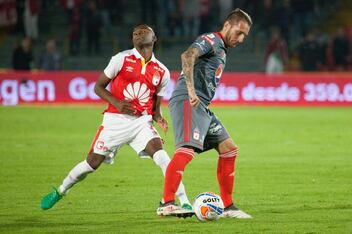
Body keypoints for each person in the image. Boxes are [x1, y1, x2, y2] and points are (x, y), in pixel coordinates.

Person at [40, 24, 192, 211]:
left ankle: (183, 201)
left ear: (154, 38)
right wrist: (118, 103)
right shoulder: (120, 59)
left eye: (143, 32)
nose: (138, 34)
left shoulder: (162, 71)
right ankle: (61, 190)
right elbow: (98, 87)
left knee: (163, 158)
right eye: (135, 33)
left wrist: (158, 116)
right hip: (114, 121)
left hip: (141, 123)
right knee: (91, 164)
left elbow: (155, 104)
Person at [156, 8, 253, 219]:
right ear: (227, 25)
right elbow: (187, 55)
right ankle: (167, 202)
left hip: (202, 106)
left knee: (229, 149)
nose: (241, 39)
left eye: (244, 35)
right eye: (239, 32)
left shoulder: (222, 49)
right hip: (187, 100)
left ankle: (228, 208)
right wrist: (191, 90)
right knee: (186, 150)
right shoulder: (210, 40)